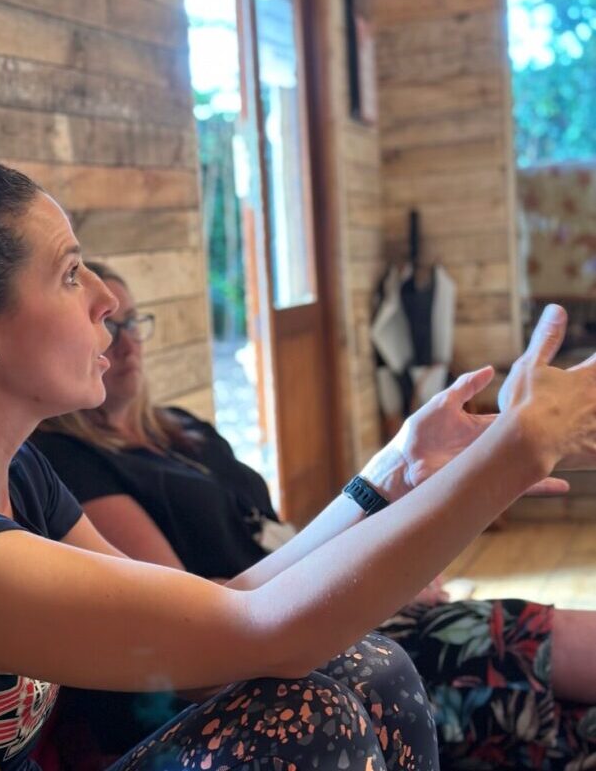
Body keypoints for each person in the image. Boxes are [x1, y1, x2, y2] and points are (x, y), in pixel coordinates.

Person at [0, 159, 595, 771]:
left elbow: (224, 603)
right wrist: (507, 453)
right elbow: (263, 631)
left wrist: (390, 469)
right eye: (70, 273)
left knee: (367, 665)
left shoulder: (13, 468)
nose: (105, 299)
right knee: (310, 709)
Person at [35, 262, 596, 771]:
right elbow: (197, 631)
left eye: (133, 321)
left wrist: (391, 478)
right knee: (452, 653)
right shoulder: (62, 464)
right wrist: (498, 462)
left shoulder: (180, 428)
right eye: (97, 311)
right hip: (268, 641)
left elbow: (258, 572)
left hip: (289, 610)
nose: (122, 338)